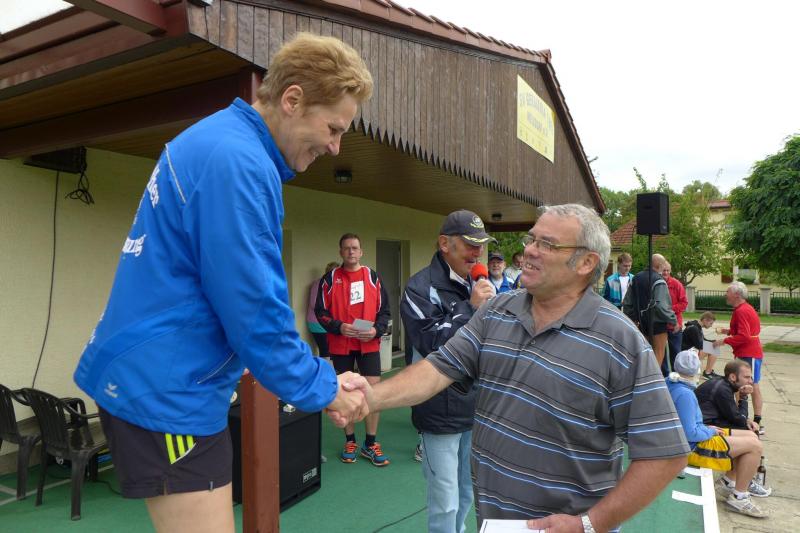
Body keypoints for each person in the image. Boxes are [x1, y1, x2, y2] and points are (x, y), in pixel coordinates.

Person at [72, 33, 372, 533]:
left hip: (162, 375)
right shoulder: (238, 163)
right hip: (168, 390)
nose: (335, 146)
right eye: (334, 128)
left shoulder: (221, 140)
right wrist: (323, 386)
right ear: (292, 99)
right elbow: (256, 313)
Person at [338, 204, 689, 532]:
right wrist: (370, 397)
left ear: (586, 263)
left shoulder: (619, 340)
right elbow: (437, 368)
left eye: (547, 244)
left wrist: (589, 523)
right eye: (531, 239)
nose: (530, 251)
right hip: (494, 521)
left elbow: (665, 454)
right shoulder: (497, 311)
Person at [399, 209, 495, 533]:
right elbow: (431, 343)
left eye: (480, 245)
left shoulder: (476, 283)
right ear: (444, 244)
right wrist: (471, 308)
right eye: (470, 244)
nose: (477, 252)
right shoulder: (419, 287)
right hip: (438, 408)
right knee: (445, 500)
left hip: (474, 405)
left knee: (467, 491)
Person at [316, 233, 392, 466]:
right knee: (345, 392)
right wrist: (339, 327)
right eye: (347, 248)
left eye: (355, 248)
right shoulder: (329, 279)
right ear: (341, 252)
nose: (351, 251)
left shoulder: (373, 277)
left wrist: (376, 330)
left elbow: (385, 311)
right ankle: (350, 440)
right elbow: (320, 313)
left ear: (361, 252)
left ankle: (371, 443)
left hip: (368, 343)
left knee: (373, 392)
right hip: (341, 344)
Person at [667, 350, 770, 518]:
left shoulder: (672, 383)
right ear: (697, 369)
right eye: (747, 377)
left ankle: (728, 482)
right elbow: (690, 433)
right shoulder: (686, 394)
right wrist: (709, 431)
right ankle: (740, 497)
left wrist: (707, 429)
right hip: (691, 447)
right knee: (755, 446)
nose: (750, 381)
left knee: (751, 437)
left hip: (695, 434)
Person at [713, 282, 765, 434]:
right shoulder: (743, 308)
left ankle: (757, 422)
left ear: (736, 294)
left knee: (752, 385)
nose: (726, 294)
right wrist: (727, 331)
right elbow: (744, 331)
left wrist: (723, 341)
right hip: (746, 352)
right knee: (741, 385)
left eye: (728, 292)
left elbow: (744, 336)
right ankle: (742, 418)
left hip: (749, 352)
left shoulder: (742, 310)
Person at [622, 253, 676, 370]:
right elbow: (661, 306)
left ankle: (642, 377)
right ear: (659, 265)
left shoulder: (636, 278)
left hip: (641, 324)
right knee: (658, 353)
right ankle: (654, 378)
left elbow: (627, 303)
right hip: (658, 324)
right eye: (663, 264)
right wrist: (673, 320)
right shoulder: (659, 281)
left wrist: (633, 319)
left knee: (644, 354)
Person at [695, 359, 760, 433]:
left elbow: (736, 416)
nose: (751, 381)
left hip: (706, 422)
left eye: (751, 377)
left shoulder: (723, 383)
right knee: (748, 430)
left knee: (748, 427)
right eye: (746, 377)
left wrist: (747, 420)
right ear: (733, 377)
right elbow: (740, 421)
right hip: (701, 427)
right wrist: (743, 397)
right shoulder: (723, 390)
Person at [307, 261, 340, 358]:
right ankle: (325, 368)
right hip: (318, 322)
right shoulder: (319, 284)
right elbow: (314, 304)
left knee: (331, 351)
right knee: (326, 352)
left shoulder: (333, 284)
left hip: (328, 323)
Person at [662, 261, 688, 373]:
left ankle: (676, 375)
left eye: (667, 270)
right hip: (660, 325)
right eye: (663, 270)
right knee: (661, 353)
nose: (665, 272)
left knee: (676, 353)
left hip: (674, 325)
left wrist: (669, 310)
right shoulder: (656, 283)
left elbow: (684, 303)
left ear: (670, 271)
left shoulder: (677, 284)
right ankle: (665, 376)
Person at [682, 311, 719, 378]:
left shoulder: (697, 326)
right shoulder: (694, 328)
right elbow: (699, 345)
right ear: (705, 320)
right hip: (686, 356)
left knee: (714, 346)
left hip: (689, 352)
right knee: (714, 349)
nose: (711, 325)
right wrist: (713, 344)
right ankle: (707, 373)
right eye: (711, 323)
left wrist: (713, 342)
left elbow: (702, 341)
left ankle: (708, 372)